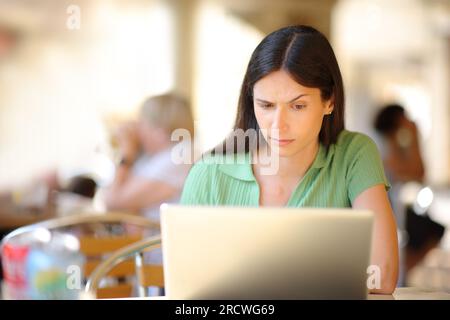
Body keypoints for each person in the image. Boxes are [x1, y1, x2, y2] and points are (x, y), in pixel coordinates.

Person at [180, 25, 399, 294]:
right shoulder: (208, 174)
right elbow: (187, 288)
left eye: (298, 106)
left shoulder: (354, 155)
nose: (278, 125)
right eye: (266, 105)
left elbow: (382, 275)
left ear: (329, 101)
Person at [374, 104, 444, 284]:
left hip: (394, 206)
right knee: (431, 230)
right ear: (398, 120)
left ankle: (402, 270)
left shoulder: (393, 142)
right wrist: (414, 136)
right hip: (386, 208)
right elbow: (417, 171)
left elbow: (417, 173)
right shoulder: (385, 144)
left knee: (432, 230)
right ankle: (400, 270)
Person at [104, 93, 194, 222]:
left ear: (160, 131)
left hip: (157, 240)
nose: (138, 131)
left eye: (143, 123)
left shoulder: (178, 157)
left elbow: (112, 202)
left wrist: (127, 152)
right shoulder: (161, 156)